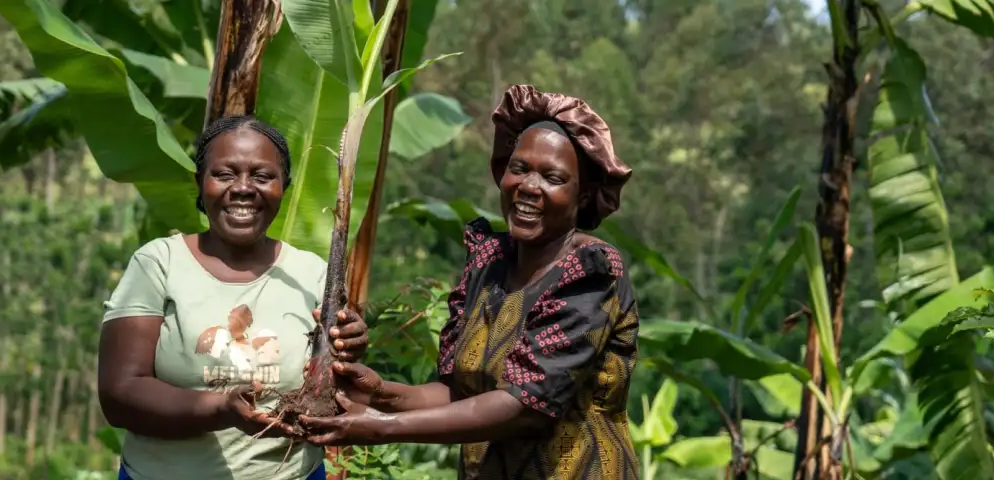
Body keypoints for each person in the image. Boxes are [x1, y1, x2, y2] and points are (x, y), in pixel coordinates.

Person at [298, 84, 641, 479]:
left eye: (553, 177)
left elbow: (523, 407)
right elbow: (461, 394)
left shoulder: (591, 273)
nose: (529, 187)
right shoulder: (489, 262)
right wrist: (380, 392)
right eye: (520, 168)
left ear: (582, 197)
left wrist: (378, 427)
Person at [98, 115, 369, 480]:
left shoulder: (313, 274)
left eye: (262, 176)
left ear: (284, 187)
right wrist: (220, 409)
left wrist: (350, 349)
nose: (243, 188)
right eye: (225, 174)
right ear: (200, 182)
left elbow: (339, 398)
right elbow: (119, 396)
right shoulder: (158, 264)